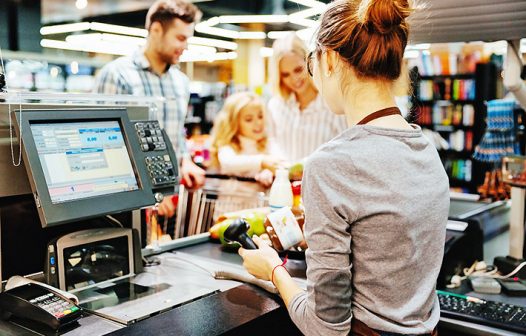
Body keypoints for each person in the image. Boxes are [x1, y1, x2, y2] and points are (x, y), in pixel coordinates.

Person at [239, 1, 449, 335]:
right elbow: (388, 250)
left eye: (312, 62)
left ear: (331, 60)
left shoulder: (330, 165)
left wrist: (273, 270)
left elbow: (326, 327)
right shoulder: (427, 149)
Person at [93, 0, 205, 217]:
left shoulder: (181, 82)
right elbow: (105, 144)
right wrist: (149, 191)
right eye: (180, 38)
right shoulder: (118, 75)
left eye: (187, 39)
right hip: (127, 202)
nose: (185, 46)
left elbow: (175, 134)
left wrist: (186, 161)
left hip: (170, 200)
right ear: (156, 30)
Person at [267, 33, 347, 163]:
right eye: (285, 74)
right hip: (283, 181)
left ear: (310, 62)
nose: (294, 79)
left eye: (298, 69)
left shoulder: (333, 105)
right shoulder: (275, 105)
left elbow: (344, 149)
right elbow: (271, 140)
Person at [209, 92, 284, 217]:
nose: (258, 123)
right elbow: (228, 163)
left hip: (256, 214)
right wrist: (262, 162)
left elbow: (280, 162)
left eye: (260, 116)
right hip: (228, 213)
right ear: (234, 123)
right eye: (249, 119)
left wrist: (269, 172)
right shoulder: (228, 145)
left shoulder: (268, 143)